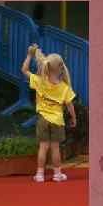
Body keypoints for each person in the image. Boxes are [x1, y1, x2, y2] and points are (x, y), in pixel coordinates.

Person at [21, 44, 76, 182]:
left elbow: (24, 70)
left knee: (43, 147)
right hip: (57, 120)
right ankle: (57, 174)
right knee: (55, 148)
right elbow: (70, 106)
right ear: (61, 68)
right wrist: (74, 118)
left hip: (42, 119)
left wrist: (29, 55)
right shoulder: (64, 87)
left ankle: (40, 174)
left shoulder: (39, 82)